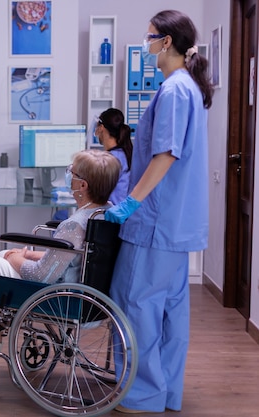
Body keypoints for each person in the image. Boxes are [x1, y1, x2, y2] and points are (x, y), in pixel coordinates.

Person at [104, 10, 213, 414]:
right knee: (169, 310)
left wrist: (132, 202)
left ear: (166, 42)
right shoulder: (189, 88)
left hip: (154, 222)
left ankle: (140, 395)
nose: (146, 43)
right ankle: (165, 392)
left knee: (135, 305)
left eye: (149, 37)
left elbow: (165, 154)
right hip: (177, 224)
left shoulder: (172, 91)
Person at [0, 149, 120, 362]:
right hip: (87, 296)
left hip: (60, 298)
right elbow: (78, 256)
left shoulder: (73, 225)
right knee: (3, 254)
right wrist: (29, 256)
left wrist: (16, 259)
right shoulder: (106, 213)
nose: (69, 174)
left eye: (72, 172)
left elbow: (41, 276)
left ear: (83, 185)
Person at [95, 108, 132, 204]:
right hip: (124, 213)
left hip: (112, 214)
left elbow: (97, 193)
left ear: (101, 128)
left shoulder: (111, 160)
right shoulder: (125, 154)